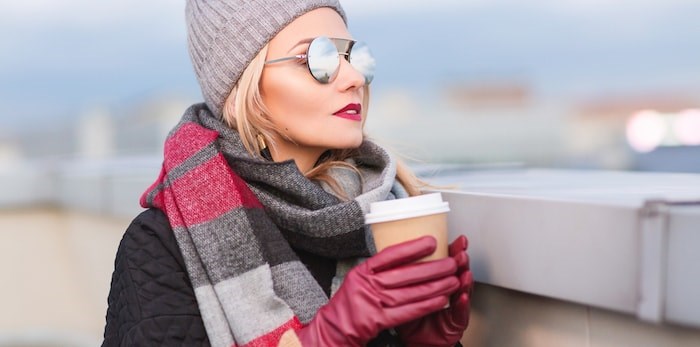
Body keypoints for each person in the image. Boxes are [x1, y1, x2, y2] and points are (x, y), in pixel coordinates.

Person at [102, 1, 473, 346]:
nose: (354, 78)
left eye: (353, 56)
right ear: (241, 86)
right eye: (319, 57)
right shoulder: (158, 245)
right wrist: (324, 338)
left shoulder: (383, 212)